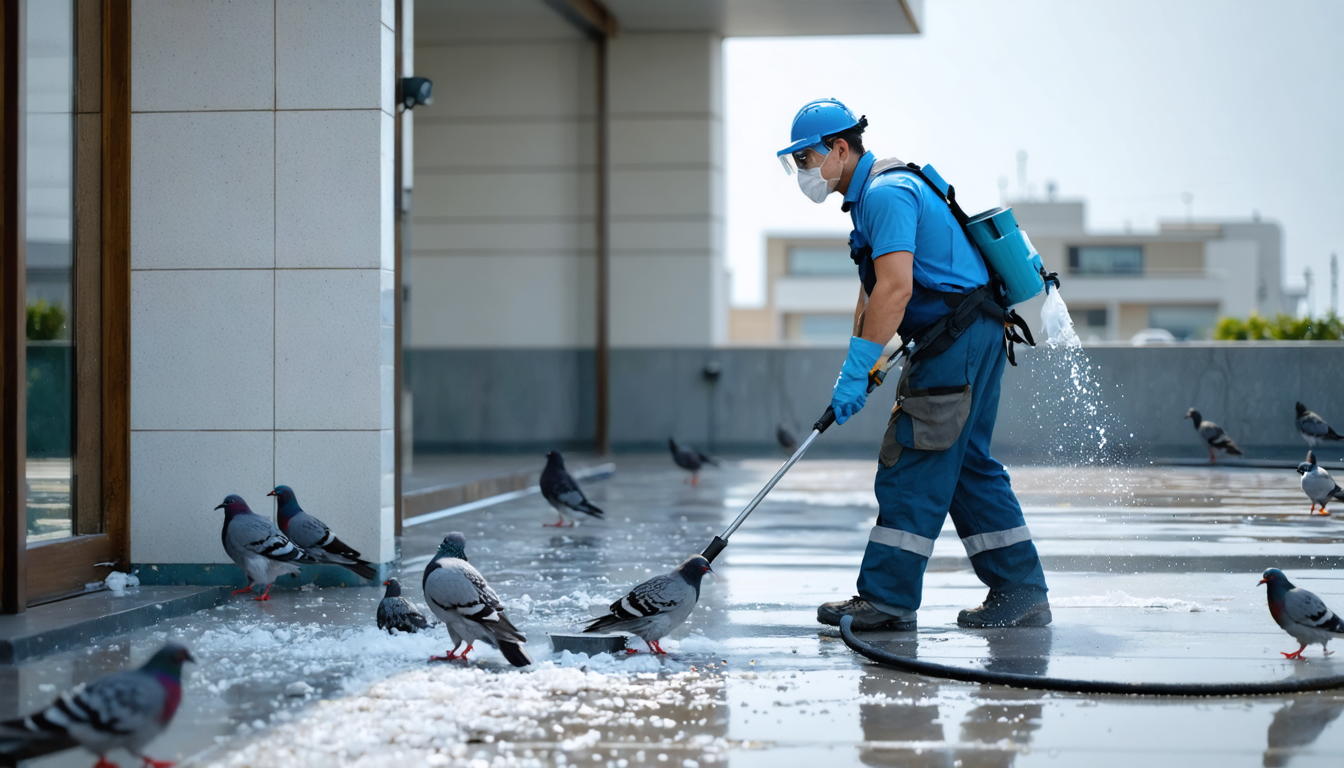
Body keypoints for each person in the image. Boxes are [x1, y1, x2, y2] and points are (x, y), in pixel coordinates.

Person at [776, 98, 1050, 631]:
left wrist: (858, 370)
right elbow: (873, 290)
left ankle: (887, 598)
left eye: (806, 159)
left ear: (837, 148)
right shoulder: (871, 196)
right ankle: (1021, 591)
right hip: (970, 333)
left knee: (913, 458)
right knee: (967, 466)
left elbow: (897, 290)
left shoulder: (885, 195)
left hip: (957, 337)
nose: (804, 172)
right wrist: (860, 364)